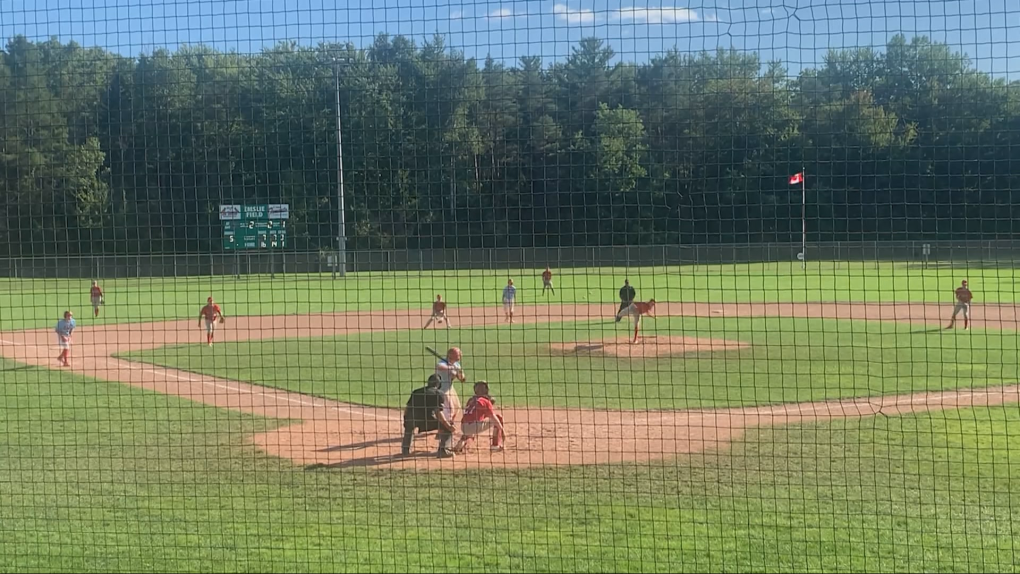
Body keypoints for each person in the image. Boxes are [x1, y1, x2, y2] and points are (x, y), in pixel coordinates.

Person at [400, 375, 456, 457]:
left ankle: (405, 450)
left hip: (412, 419)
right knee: (447, 429)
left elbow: (407, 408)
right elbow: (438, 413)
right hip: (428, 421)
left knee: (409, 427)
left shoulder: (416, 392)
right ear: (438, 384)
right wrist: (447, 425)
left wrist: (406, 420)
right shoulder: (439, 393)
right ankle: (444, 450)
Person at [452, 381, 505, 454]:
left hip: (463, 426)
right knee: (498, 417)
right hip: (474, 426)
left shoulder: (470, 400)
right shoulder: (486, 401)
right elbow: (493, 417)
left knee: (471, 423)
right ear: (486, 390)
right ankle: (495, 445)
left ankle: (460, 444)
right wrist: (502, 430)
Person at [435, 347, 466, 429]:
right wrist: (451, 368)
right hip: (442, 389)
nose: (460, 355)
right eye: (458, 354)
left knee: (456, 407)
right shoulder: (443, 363)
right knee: (449, 409)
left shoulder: (457, 364)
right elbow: (439, 367)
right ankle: (443, 428)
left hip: (450, 388)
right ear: (451, 355)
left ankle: (449, 423)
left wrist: (459, 374)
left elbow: (462, 379)